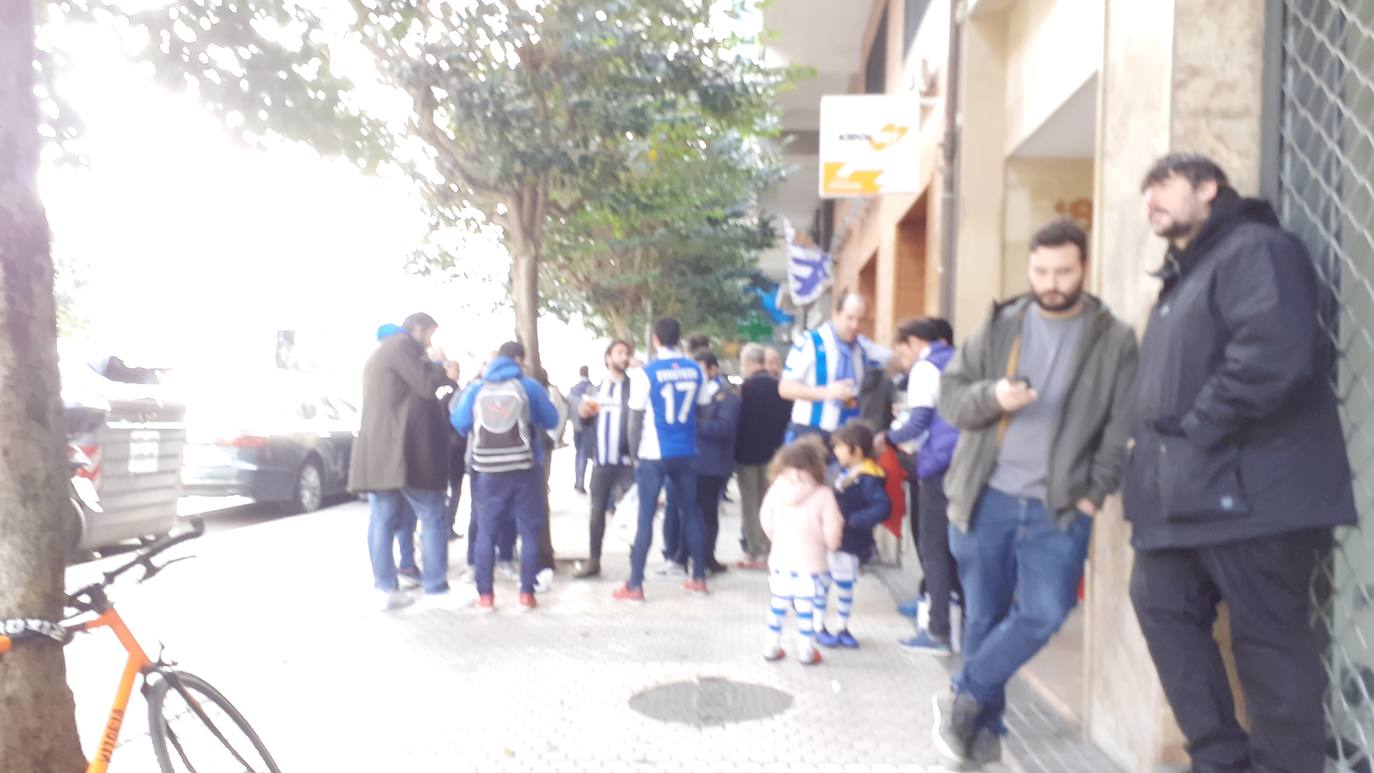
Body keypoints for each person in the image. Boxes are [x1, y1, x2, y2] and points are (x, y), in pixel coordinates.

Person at [1124, 154, 1356, 773]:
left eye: (1163, 187)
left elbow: (1272, 354)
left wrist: (1197, 428)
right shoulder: (1185, 275)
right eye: (1145, 194)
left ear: (1208, 187)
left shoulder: (1257, 249)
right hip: (1188, 496)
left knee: (1270, 647)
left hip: (1254, 493)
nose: (1151, 202)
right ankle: (1221, 759)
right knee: (1159, 603)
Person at [931, 218, 1138, 767]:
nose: (1051, 281)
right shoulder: (1002, 325)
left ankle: (965, 693)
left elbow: (1121, 427)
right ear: (1029, 267)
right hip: (987, 496)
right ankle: (984, 737)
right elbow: (952, 397)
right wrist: (993, 395)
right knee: (982, 617)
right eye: (1041, 270)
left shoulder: (1113, 338)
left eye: (1063, 271)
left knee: (1046, 612)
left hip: (1060, 505)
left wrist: (1094, 495)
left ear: (1084, 268)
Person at [348, 313, 453, 611]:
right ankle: (436, 588)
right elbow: (424, 384)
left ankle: (385, 588)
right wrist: (440, 366)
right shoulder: (403, 346)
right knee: (432, 513)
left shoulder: (384, 352)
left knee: (382, 517)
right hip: (403, 454)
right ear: (418, 329)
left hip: (383, 452)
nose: (430, 341)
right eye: (430, 334)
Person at [451, 341, 561, 612]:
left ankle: (486, 597)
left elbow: (459, 423)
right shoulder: (529, 386)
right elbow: (552, 420)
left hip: (487, 472)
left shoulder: (477, 388)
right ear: (519, 360)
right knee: (529, 531)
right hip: (526, 470)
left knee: (486, 532)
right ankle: (526, 595)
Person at [613, 317, 713, 602]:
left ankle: (635, 584)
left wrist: (635, 457)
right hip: (686, 452)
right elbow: (704, 412)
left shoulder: (646, 373)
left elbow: (634, 420)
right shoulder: (695, 370)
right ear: (679, 339)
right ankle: (699, 578)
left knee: (645, 517)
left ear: (655, 340)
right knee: (691, 513)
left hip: (653, 454)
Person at [881, 317, 962, 655]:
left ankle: (938, 630)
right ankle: (961, 619)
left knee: (934, 547)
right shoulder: (959, 359)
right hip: (967, 464)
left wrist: (885, 437)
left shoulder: (926, 368)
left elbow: (918, 420)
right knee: (958, 545)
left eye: (902, 351)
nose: (903, 359)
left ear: (914, 342)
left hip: (938, 464)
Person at [759, 437, 843, 666]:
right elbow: (833, 527)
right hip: (811, 565)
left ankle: (771, 646)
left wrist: (776, 537)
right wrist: (830, 545)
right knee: (806, 608)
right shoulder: (823, 494)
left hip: (780, 561)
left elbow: (766, 517)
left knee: (778, 604)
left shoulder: (777, 489)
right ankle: (806, 650)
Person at [813, 421, 890, 649]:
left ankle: (840, 627)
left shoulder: (868, 478)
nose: (835, 451)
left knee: (839, 585)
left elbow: (882, 507)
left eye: (840, 447)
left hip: (849, 541)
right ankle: (821, 626)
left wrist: (855, 521)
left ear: (855, 450)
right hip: (833, 539)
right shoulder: (847, 472)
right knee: (826, 584)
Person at [779, 292, 893, 445]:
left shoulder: (863, 348)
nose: (855, 325)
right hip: (809, 432)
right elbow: (785, 388)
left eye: (861, 320)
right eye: (850, 318)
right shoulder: (810, 342)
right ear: (836, 314)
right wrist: (826, 392)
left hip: (847, 437)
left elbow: (894, 361)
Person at [573, 340, 636, 579]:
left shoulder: (633, 388)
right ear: (608, 358)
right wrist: (584, 416)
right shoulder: (596, 391)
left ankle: (635, 564)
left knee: (632, 514)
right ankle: (594, 560)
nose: (624, 356)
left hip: (627, 462)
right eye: (619, 352)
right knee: (596, 512)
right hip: (601, 461)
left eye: (626, 353)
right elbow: (586, 422)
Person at [733, 343, 793, 569]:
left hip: (747, 454)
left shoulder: (745, 389)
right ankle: (771, 547)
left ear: (748, 363)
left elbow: (737, 423)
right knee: (772, 501)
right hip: (775, 455)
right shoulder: (781, 387)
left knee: (750, 503)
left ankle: (754, 549)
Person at [692, 350, 741, 575]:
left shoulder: (727, 396)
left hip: (712, 465)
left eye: (701, 370)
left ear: (713, 370)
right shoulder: (691, 395)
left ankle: (706, 558)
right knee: (693, 513)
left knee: (708, 513)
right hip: (690, 463)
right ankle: (691, 557)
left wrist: (694, 424)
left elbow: (725, 428)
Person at [568, 366, 595, 494]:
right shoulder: (591, 389)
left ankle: (577, 480)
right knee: (585, 454)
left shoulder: (572, 390)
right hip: (587, 426)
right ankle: (581, 483)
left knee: (578, 453)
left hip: (575, 426)